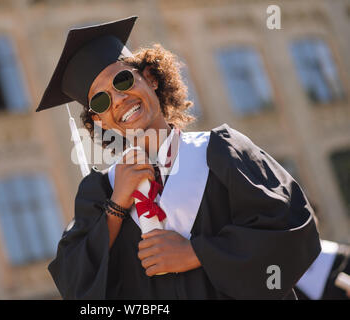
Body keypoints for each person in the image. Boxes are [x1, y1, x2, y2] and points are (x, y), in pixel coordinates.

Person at [37, 16, 321, 299]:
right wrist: (117, 205)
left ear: (149, 78)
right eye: (101, 100)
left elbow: (292, 228)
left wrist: (197, 253)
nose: (119, 99)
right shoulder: (101, 193)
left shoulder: (221, 152)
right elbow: (76, 286)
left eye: (122, 80)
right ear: (100, 121)